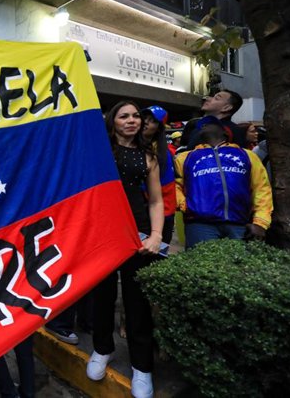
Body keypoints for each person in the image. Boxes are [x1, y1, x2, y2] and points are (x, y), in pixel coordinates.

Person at [87, 101, 164, 398]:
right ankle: (101, 348)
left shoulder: (149, 157)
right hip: (102, 237)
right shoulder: (98, 151)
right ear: (112, 120)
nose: (132, 120)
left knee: (138, 303)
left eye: (136, 116)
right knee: (102, 297)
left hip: (139, 237)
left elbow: (156, 201)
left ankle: (142, 368)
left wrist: (156, 235)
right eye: (124, 116)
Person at [175, 116, 273, 249]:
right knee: (201, 267)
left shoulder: (247, 155)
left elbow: (261, 188)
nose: (203, 125)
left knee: (240, 267)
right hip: (200, 225)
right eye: (201, 125)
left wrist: (260, 222)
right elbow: (175, 186)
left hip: (240, 224)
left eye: (210, 123)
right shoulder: (185, 157)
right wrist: (187, 206)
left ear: (225, 132)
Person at [141, 105, 176, 244]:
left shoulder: (163, 154)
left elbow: (164, 189)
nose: (146, 123)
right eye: (144, 118)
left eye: (152, 121)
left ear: (159, 128)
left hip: (159, 214)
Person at [180, 89, 246, 150]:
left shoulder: (233, 131)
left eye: (216, 98)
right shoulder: (194, 125)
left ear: (226, 108)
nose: (207, 99)